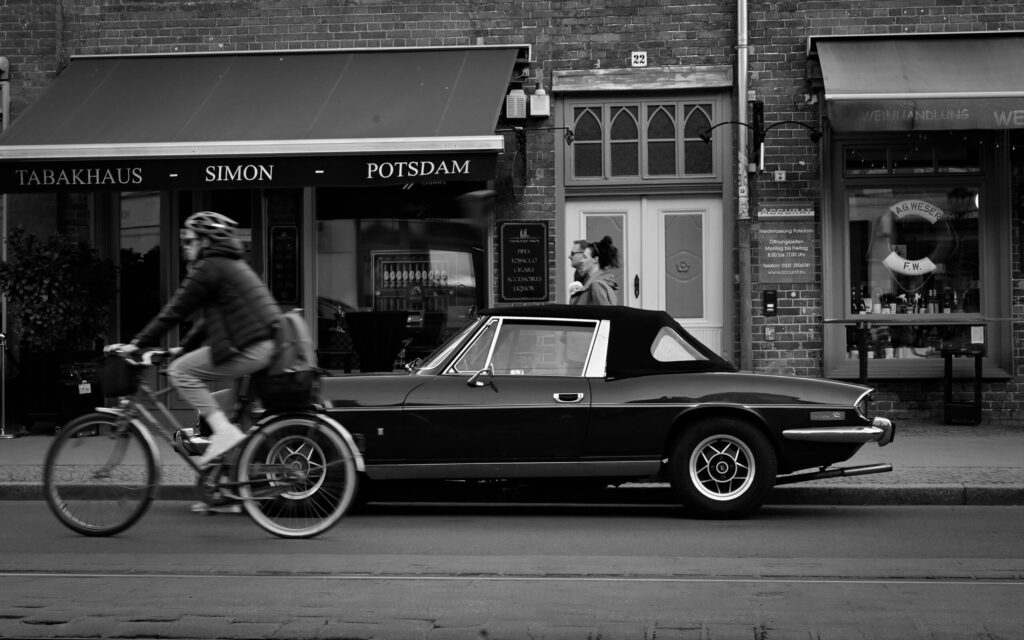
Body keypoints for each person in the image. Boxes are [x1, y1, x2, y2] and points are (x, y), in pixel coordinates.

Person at [108, 211, 282, 468]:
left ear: (206, 242)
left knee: (180, 372)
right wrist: (183, 348)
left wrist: (136, 343)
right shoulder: (227, 263)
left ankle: (224, 434)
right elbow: (207, 321)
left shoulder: (209, 266)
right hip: (263, 344)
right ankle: (233, 488)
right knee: (219, 407)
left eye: (190, 241)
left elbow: (174, 311)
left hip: (252, 347)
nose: (185, 247)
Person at [569, 236, 621, 306]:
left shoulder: (597, 285)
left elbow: (606, 314)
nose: (582, 260)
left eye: (585, 257)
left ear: (595, 259)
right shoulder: (598, 283)